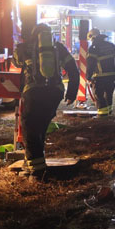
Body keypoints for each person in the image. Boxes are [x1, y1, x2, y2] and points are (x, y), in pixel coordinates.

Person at [13, 23, 79, 178]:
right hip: (54, 93)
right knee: (40, 127)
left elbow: (15, 62)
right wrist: (72, 93)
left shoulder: (26, 48)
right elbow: (73, 70)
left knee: (30, 128)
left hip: (33, 92)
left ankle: (37, 172)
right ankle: (34, 163)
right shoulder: (59, 48)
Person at [86, 28, 115, 117]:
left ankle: (102, 117)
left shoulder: (93, 48)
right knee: (108, 95)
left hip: (99, 77)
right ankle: (109, 113)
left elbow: (90, 63)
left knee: (99, 95)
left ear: (92, 38)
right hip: (111, 77)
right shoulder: (110, 46)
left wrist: (88, 77)